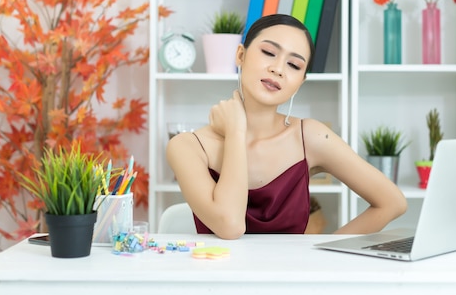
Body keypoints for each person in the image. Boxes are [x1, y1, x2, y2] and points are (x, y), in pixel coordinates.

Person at [166, 14, 407, 239]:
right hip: (213, 282)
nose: (278, 69)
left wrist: (322, 254)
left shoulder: (311, 136)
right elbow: (230, 226)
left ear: (301, 81)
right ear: (240, 55)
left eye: (294, 65)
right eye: (269, 52)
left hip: (294, 282)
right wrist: (236, 132)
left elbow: (392, 203)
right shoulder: (186, 146)